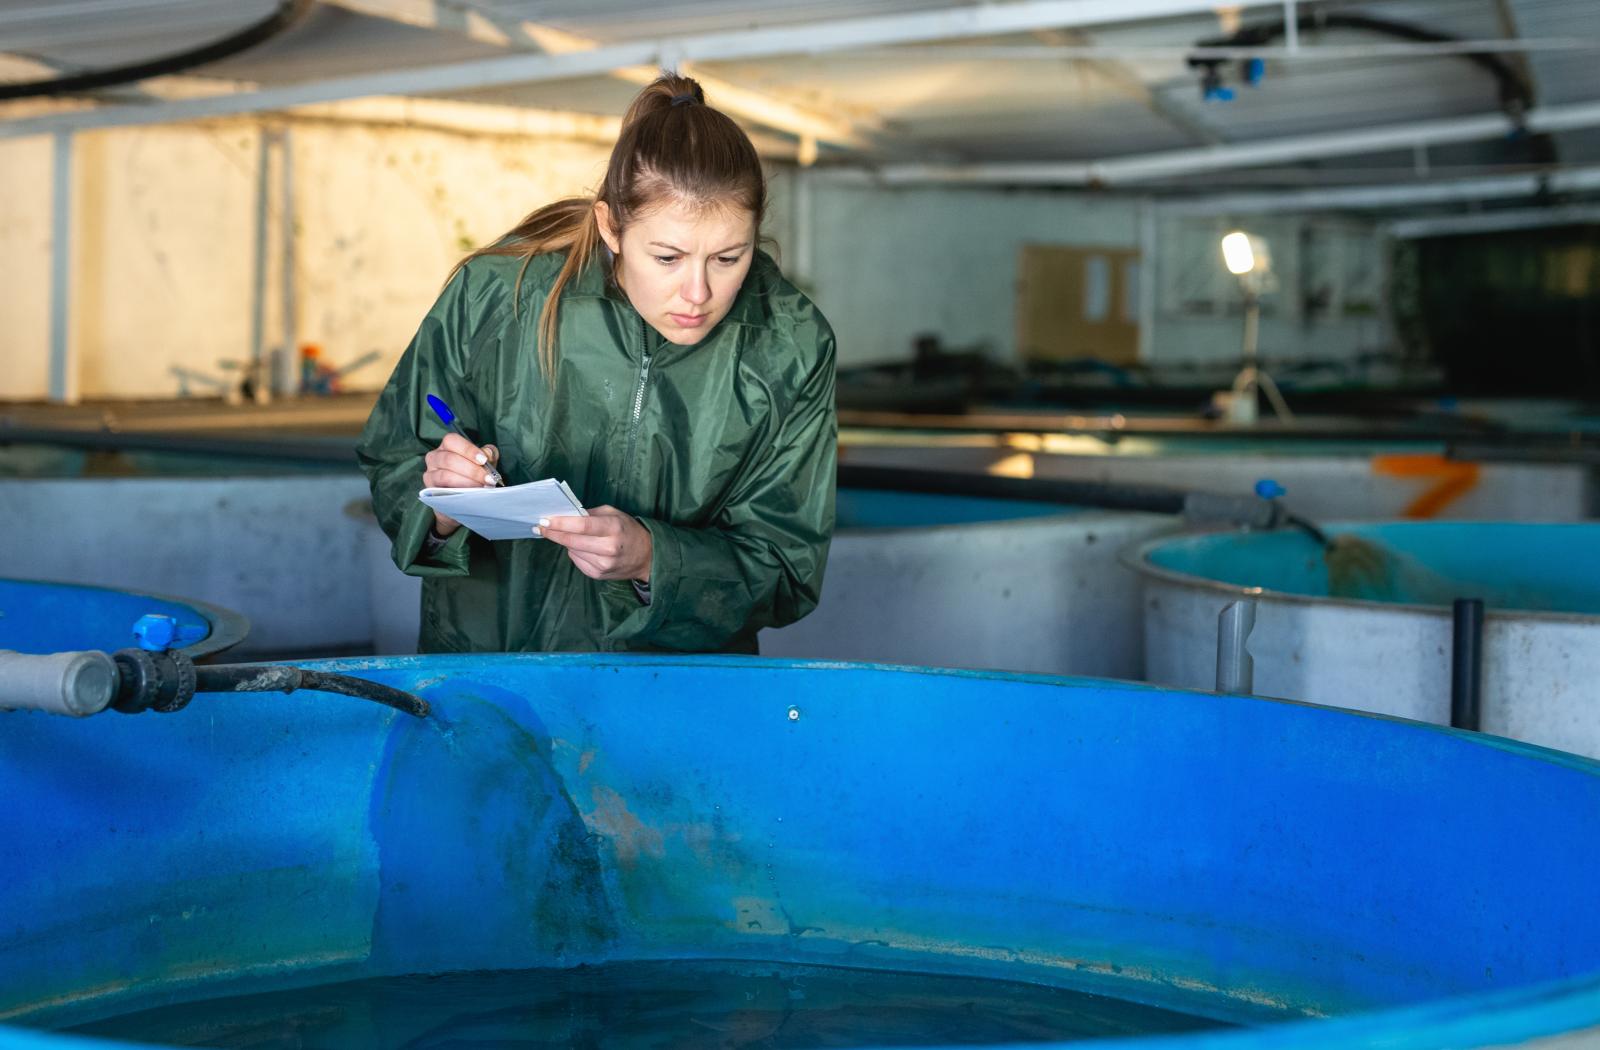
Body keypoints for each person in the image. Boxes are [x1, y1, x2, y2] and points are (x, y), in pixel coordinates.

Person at [357, 74, 836, 654]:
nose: (697, 292)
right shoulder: (495, 296)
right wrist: (440, 505)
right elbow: (393, 457)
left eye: (728, 258)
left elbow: (786, 565)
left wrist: (654, 559)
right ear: (612, 226)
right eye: (667, 257)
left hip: (669, 690)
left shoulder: (790, 345)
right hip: (490, 667)